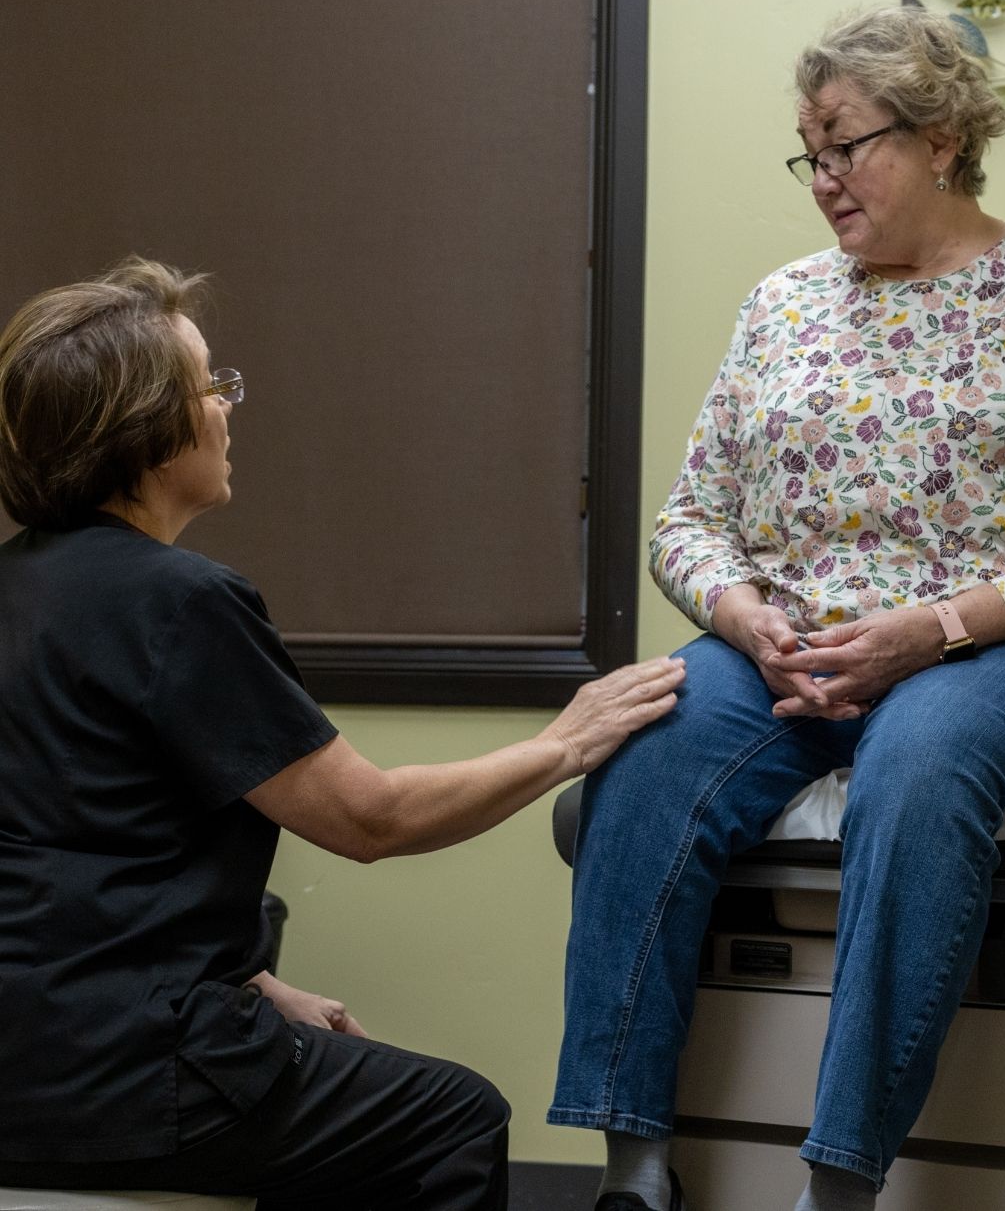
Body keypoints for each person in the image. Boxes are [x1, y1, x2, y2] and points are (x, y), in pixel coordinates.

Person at [0, 255, 686, 1210]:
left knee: (322, 1099)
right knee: (456, 1119)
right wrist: (568, 742)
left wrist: (249, 983)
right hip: (115, 1078)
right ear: (149, 432)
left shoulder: (21, 589)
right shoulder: (180, 603)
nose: (227, 408)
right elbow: (371, 820)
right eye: (210, 386)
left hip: (29, 1055)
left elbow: (71, 852)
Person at [547, 4, 1005, 1211]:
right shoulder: (782, 305)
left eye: (847, 145)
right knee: (645, 747)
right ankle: (633, 1166)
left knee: (924, 762)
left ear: (941, 138)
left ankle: (839, 1180)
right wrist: (743, 618)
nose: (824, 177)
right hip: (783, 651)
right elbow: (688, 521)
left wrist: (930, 632)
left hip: (994, 648)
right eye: (811, 152)